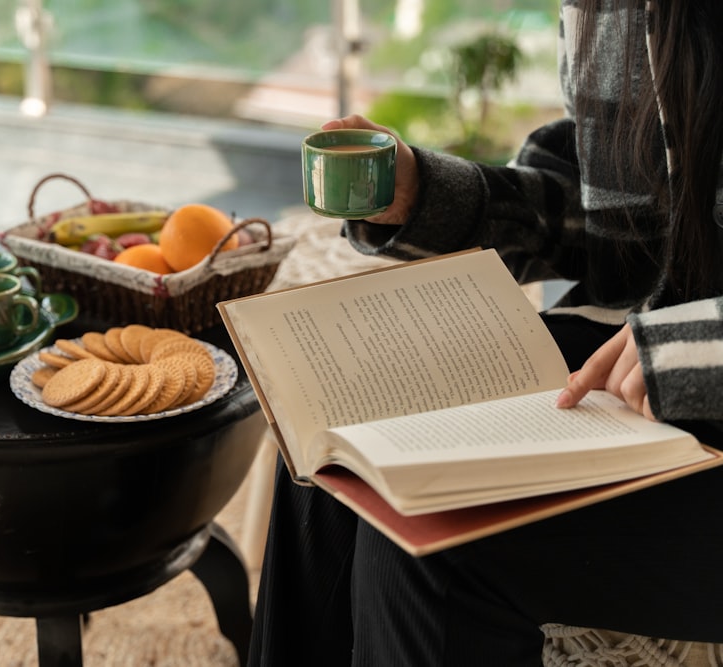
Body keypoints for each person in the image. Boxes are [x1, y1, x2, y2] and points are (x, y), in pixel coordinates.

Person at [249, 1, 723, 665]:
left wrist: (696, 350)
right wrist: (426, 198)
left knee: (433, 537)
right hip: (637, 368)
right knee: (333, 424)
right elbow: (617, 221)